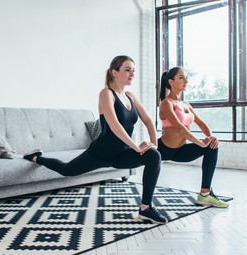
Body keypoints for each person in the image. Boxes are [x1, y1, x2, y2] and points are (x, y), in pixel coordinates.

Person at [24, 55, 168, 224]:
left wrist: (154, 145)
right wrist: (137, 147)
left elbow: (149, 121)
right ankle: (35, 157)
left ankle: (146, 209)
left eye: (133, 70)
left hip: (122, 155)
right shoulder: (106, 94)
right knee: (66, 170)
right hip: (100, 153)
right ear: (115, 72)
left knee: (153, 156)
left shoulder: (130, 96)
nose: (132, 74)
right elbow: (115, 126)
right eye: (127, 70)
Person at [158, 66, 229, 208]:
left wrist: (211, 137)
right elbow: (180, 128)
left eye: (186, 78)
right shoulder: (166, 103)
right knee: (135, 156)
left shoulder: (186, 105)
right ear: (171, 82)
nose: (186, 81)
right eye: (181, 77)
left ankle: (205, 194)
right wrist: (200, 142)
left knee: (212, 147)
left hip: (181, 151)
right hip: (164, 149)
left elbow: (202, 124)